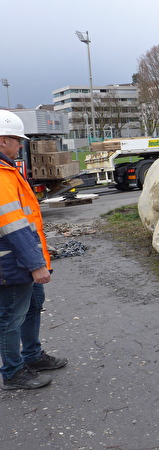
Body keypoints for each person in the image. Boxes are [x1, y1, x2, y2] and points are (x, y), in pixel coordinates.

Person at [0, 110, 67, 390]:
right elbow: (13, 226)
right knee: (11, 317)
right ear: (3, 141)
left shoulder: (9, 171)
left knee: (32, 307)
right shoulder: (2, 176)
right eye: (17, 141)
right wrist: (35, 264)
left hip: (23, 259)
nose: (20, 146)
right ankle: (13, 372)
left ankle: (32, 356)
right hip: (13, 263)